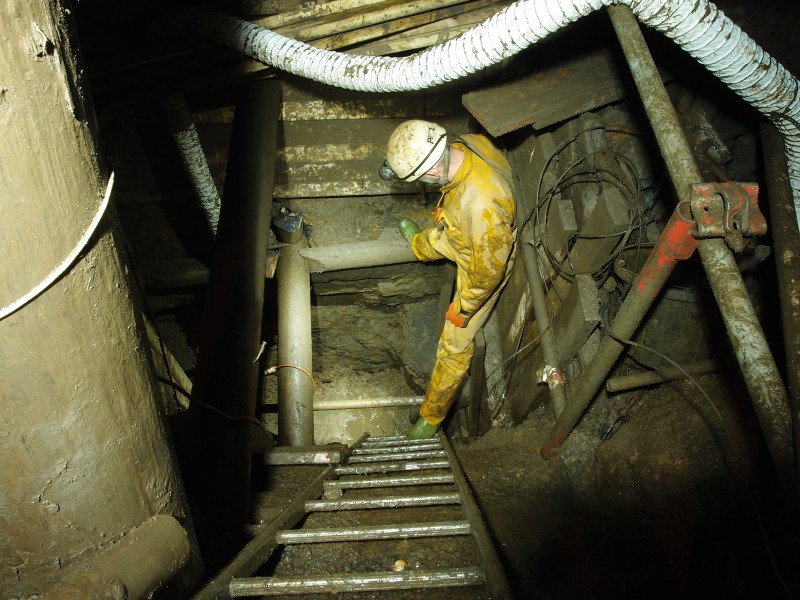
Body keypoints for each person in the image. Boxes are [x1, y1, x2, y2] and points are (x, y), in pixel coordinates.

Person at [381, 119, 517, 438]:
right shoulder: (463, 143)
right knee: (434, 238)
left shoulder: (483, 208)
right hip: (459, 232)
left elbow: (488, 273)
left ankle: (431, 418)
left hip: (480, 261)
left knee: (453, 347)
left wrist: (466, 308)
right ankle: (420, 243)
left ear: (429, 173)